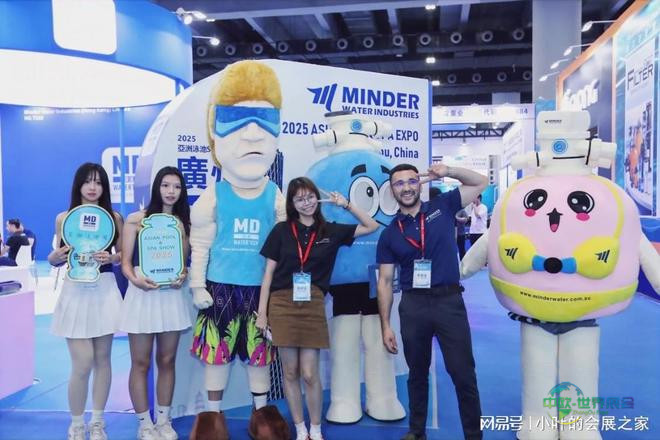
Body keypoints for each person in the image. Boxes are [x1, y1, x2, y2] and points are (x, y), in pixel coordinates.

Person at [188, 60, 289, 439]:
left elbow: (286, 248)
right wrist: (197, 285)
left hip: (260, 291)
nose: (252, 133)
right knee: (217, 354)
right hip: (220, 288)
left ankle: (261, 413)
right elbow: (200, 244)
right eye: (235, 119)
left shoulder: (275, 195)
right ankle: (212, 416)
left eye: (265, 120)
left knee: (258, 356)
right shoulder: (214, 195)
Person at [256, 177, 379, 440]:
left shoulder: (330, 231)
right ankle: (300, 429)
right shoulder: (281, 231)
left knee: (310, 373)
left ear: (317, 197)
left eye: (310, 196)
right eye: (299, 199)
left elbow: (372, 225)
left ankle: (315, 428)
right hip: (281, 303)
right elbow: (268, 275)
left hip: (312, 304)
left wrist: (346, 204)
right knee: (290, 371)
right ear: (292, 203)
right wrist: (262, 313)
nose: (306, 203)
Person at [376, 163, 487, 440]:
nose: (406, 188)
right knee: (417, 373)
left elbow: (480, 182)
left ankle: (474, 435)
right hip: (413, 306)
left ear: (420, 183)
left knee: (463, 374)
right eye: (399, 183)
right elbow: (385, 282)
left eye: (411, 181)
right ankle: (417, 432)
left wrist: (448, 171)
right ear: (392, 190)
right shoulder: (390, 233)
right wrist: (385, 325)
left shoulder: (442, 206)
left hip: (449, 302)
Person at [48, 163, 123, 440]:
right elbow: (57, 256)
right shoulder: (64, 218)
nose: (93, 187)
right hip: (76, 290)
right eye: (88, 182)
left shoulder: (114, 217)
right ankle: (77, 423)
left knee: (103, 359)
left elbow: (122, 254)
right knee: (82, 362)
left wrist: (112, 257)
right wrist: (54, 257)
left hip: (104, 287)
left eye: (99, 182)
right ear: (78, 185)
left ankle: (98, 422)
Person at [119, 166, 191, 440]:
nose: (171, 191)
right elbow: (125, 263)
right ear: (156, 187)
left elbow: (183, 263)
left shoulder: (182, 224)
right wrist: (134, 280)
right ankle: (144, 424)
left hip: (170, 295)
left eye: (177, 187)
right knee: (140, 362)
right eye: (165, 185)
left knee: (167, 360)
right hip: (143, 293)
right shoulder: (136, 220)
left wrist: (182, 275)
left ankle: (163, 420)